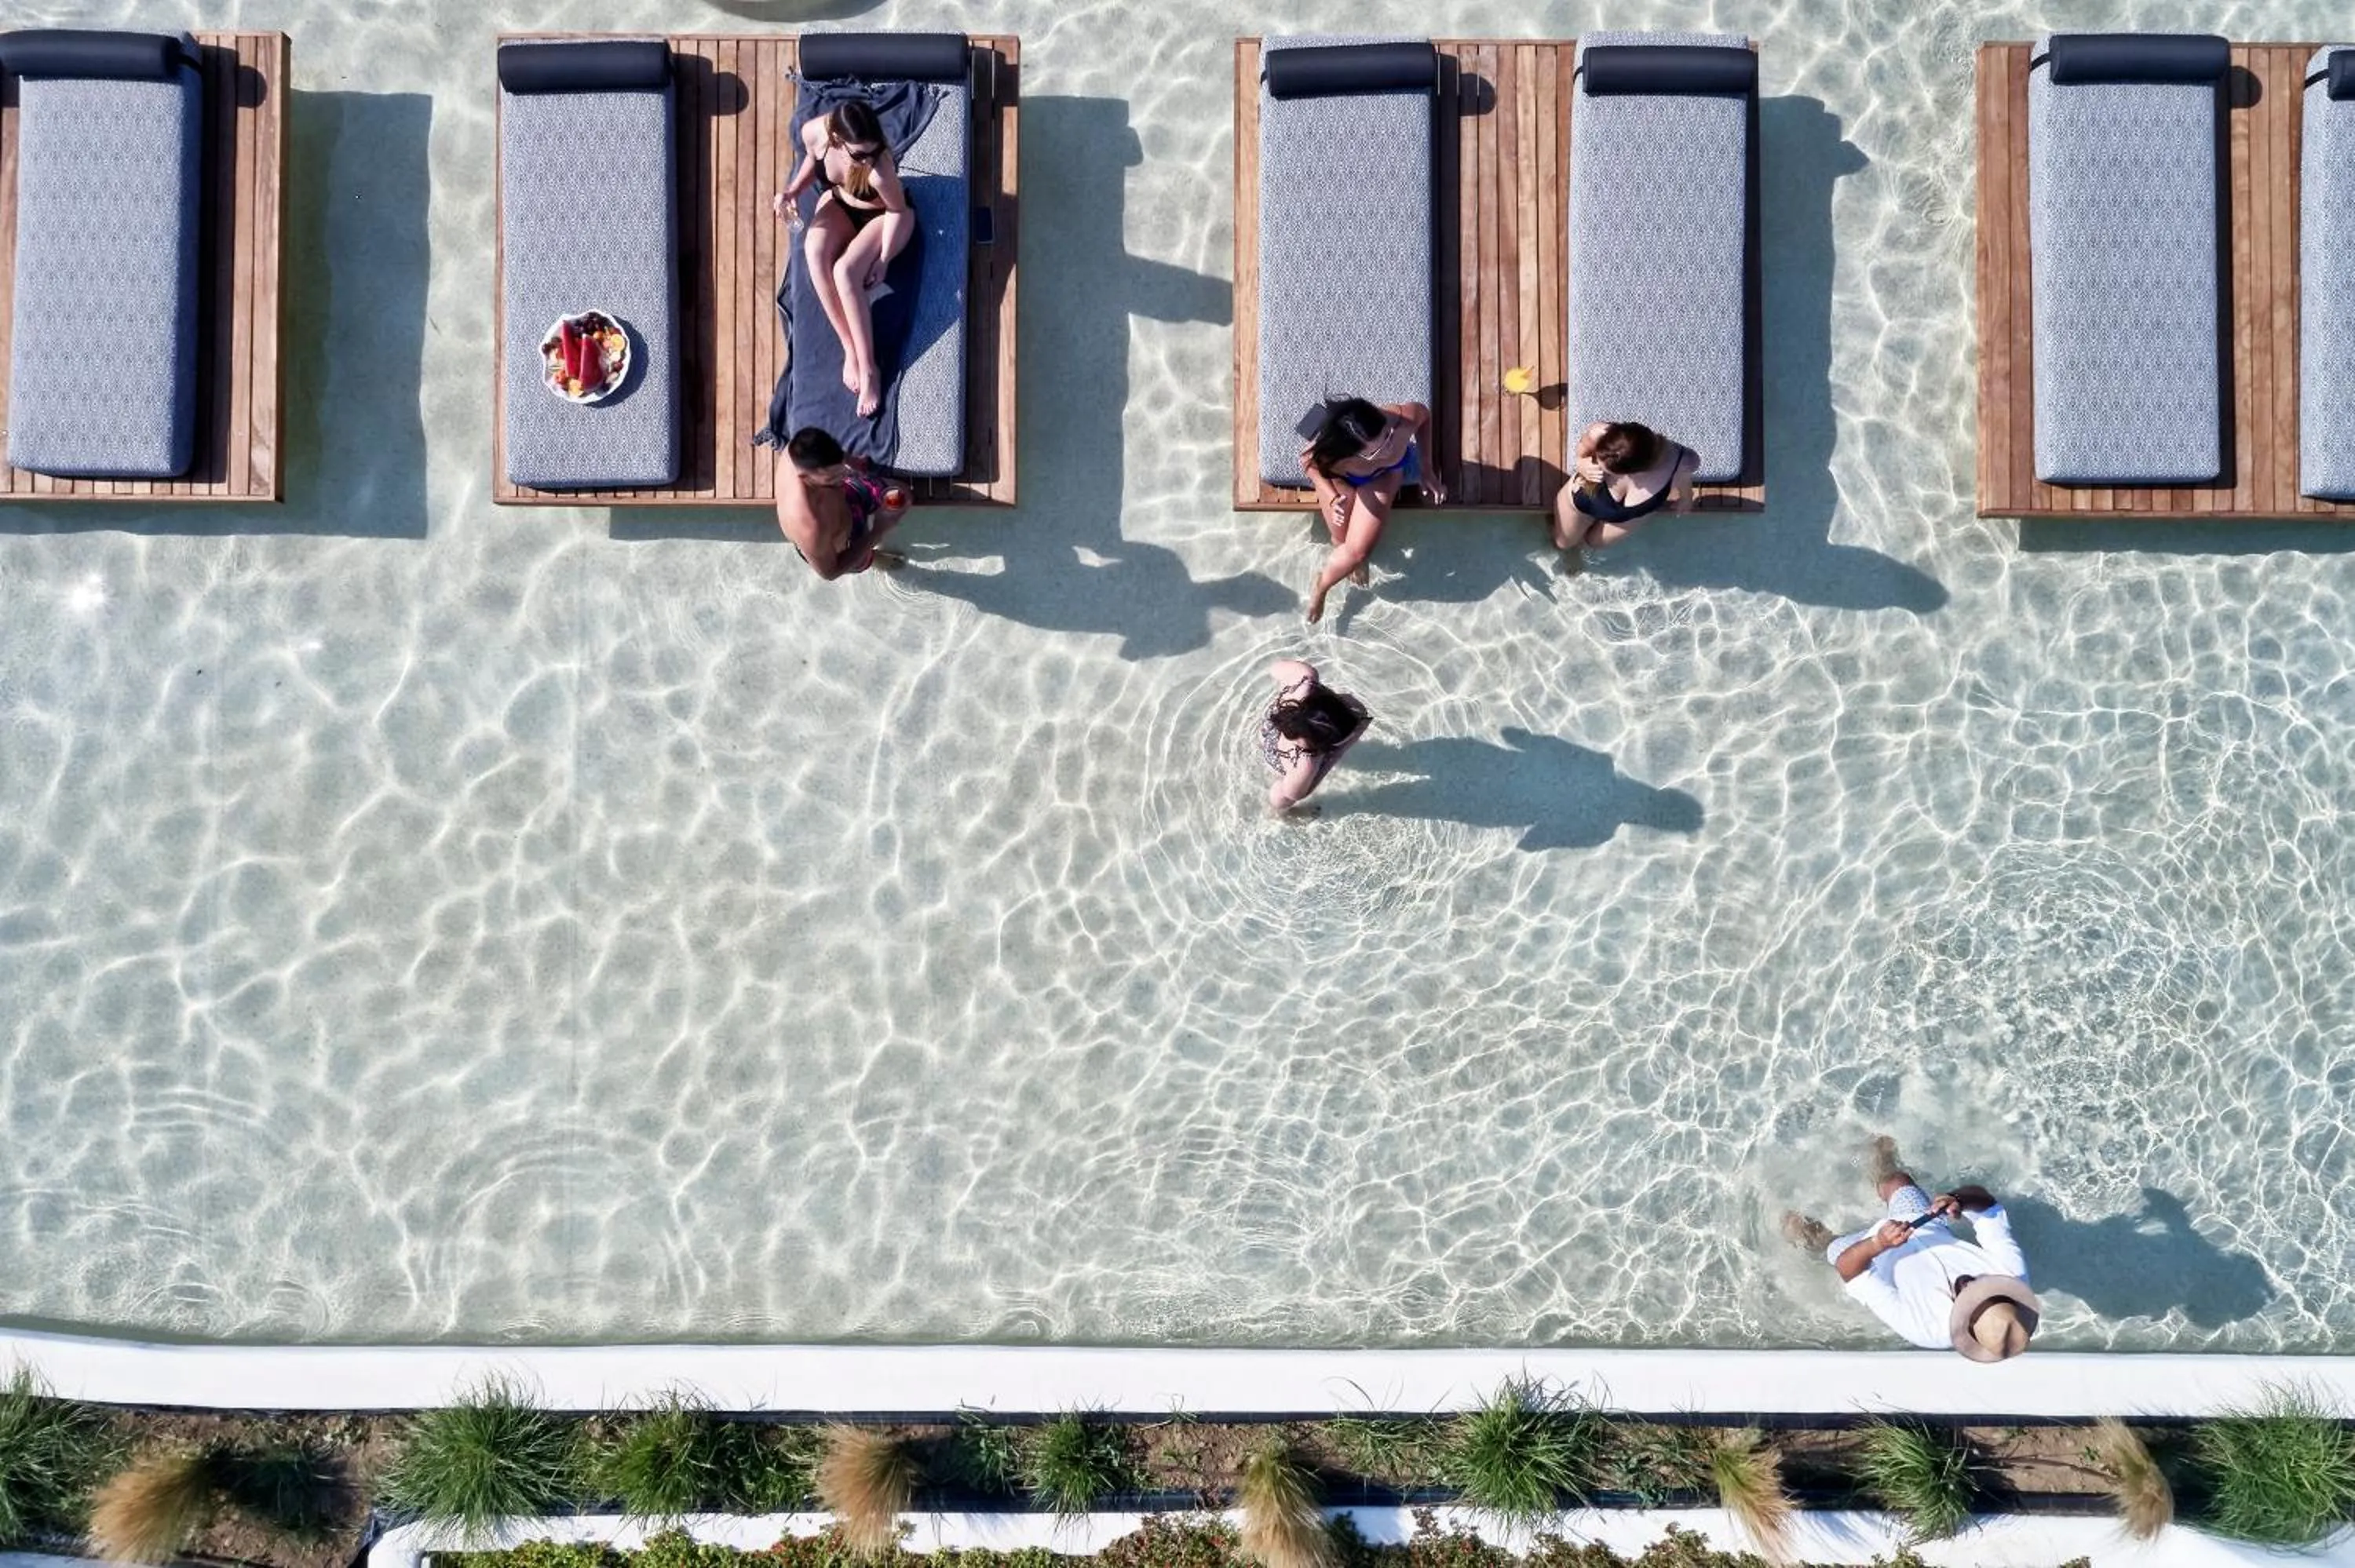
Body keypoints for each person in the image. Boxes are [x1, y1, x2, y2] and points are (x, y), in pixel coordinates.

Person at [1782, 1136, 2042, 1362]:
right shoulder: (2012, 1276)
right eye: (1985, 1287)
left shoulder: (1925, 1329)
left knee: (1823, 1244)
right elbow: (1989, 1207)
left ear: (1966, 1323)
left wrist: (1877, 1244)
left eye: (1968, 1298)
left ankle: (1815, 1235)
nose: (1970, 1283)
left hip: (1872, 1258)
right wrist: (1959, 1200)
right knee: (1897, 1180)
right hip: (1922, 1221)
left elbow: (1849, 1269)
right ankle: (1879, 1166)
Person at [773, 100, 913, 418]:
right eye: (859, 154)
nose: (868, 159)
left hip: (884, 215)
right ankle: (849, 346)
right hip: (840, 201)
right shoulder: (814, 133)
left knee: (845, 272)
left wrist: (884, 259)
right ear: (836, 138)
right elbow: (812, 159)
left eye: (873, 150)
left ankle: (869, 371)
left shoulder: (879, 170)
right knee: (813, 250)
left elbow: (897, 210)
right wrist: (792, 191)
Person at [1299, 397, 1443, 623]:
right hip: (1343, 480)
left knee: (1358, 552)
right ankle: (1321, 586)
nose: (1386, 452)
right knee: (1339, 538)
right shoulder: (1333, 452)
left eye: (1387, 438)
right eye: (1374, 453)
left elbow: (1424, 417)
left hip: (1384, 477)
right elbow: (1308, 464)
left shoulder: (1401, 422)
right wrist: (1332, 496)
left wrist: (1427, 469)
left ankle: (1324, 585)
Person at [774, 427, 908, 579]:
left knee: (901, 494)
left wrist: (850, 461)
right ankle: (872, 558)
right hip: (846, 543)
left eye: (841, 470)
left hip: (849, 498)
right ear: (804, 477)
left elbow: (828, 453)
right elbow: (830, 573)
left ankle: (865, 519)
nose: (842, 476)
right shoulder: (810, 528)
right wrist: (877, 531)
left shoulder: (800, 450)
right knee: (861, 560)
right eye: (831, 478)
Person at [1550, 420, 1698, 551]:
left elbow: (1683, 478)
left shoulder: (1683, 461)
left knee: (1594, 543)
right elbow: (1583, 448)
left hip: (1626, 518)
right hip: (1583, 499)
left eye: (1607, 471)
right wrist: (1581, 463)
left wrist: (1686, 497)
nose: (1600, 469)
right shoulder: (1600, 433)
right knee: (1564, 544)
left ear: (1633, 473)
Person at [1259, 658, 1371, 817]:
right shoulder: (1305, 766)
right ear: (1324, 747)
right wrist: (1338, 753)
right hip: (1278, 757)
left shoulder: (1304, 678)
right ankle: (1277, 814)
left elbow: (1274, 667)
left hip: (1272, 724)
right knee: (1281, 798)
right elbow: (1295, 795)